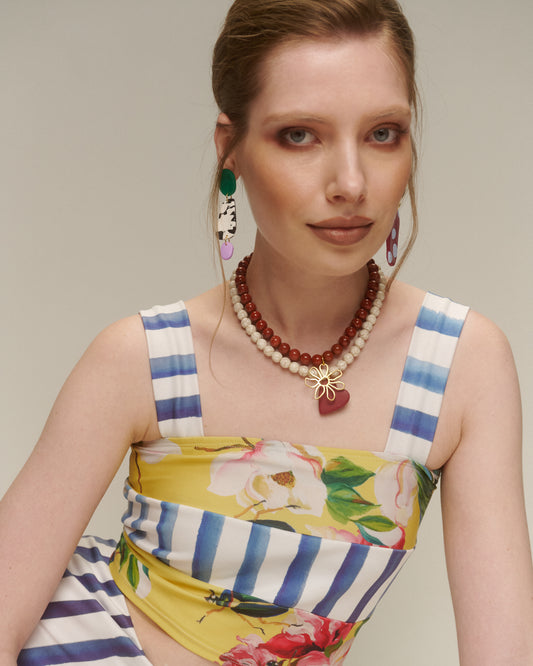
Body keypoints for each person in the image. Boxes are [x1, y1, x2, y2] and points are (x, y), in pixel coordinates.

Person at [1, 0, 532, 664]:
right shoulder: (141, 358)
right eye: (300, 135)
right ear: (231, 149)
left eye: (382, 133)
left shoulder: (461, 365)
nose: (350, 183)